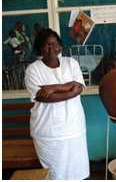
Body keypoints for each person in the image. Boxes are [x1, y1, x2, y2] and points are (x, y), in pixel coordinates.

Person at [24, 28, 90, 179]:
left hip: (73, 128)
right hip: (48, 132)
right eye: (46, 45)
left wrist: (53, 87)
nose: (51, 48)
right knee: (55, 174)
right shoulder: (33, 70)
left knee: (77, 171)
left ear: (60, 46)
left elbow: (79, 87)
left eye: (54, 44)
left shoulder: (71, 63)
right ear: (39, 48)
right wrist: (70, 88)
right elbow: (43, 98)